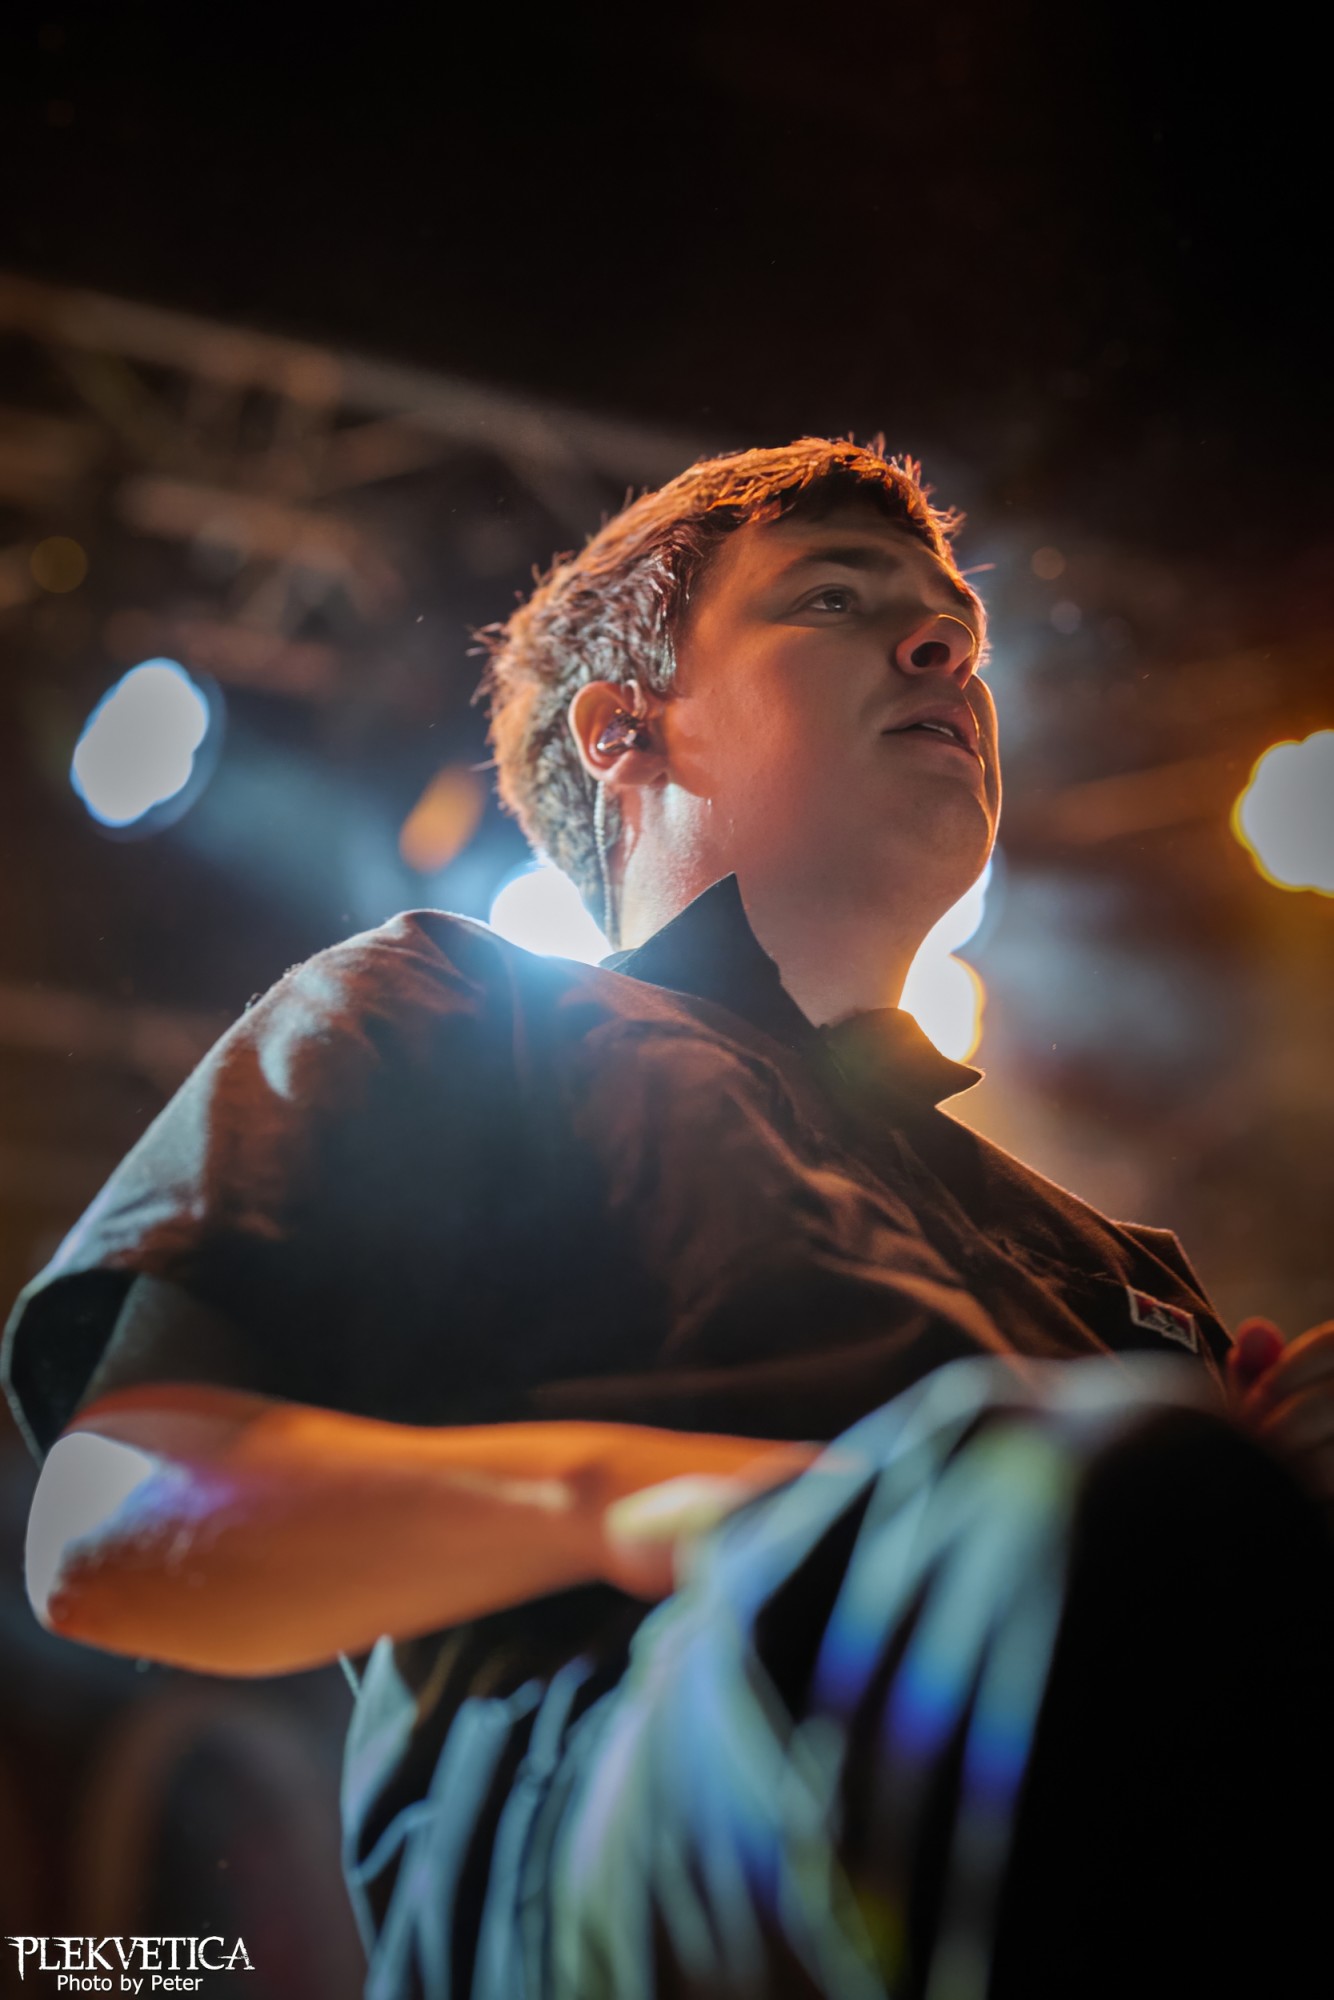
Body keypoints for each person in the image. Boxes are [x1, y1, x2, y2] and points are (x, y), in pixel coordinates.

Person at [5, 438, 1333, 2000]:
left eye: (955, 629)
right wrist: (664, 1508)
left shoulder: (1110, 1266)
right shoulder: (447, 1005)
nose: (941, 647)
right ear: (623, 728)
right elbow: (107, 1527)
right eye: (833, 599)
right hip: (610, 1833)